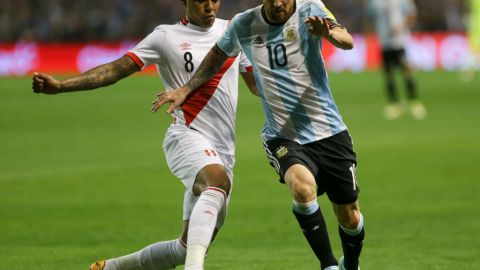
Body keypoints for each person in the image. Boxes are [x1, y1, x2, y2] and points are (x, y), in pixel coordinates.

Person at [32, 1, 257, 270]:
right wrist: (61, 86)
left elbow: (257, 86)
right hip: (186, 136)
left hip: (224, 151)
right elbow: (115, 69)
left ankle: (111, 267)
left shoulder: (232, 31)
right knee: (217, 182)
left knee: (185, 248)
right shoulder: (166, 36)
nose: (210, 5)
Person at [151, 0, 365, 269]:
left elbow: (347, 40)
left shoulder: (311, 9)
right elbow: (217, 56)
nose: (277, 3)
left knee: (350, 217)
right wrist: (186, 89)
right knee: (301, 188)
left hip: (329, 131)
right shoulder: (244, 23)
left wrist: (329, 34)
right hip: (283, 135)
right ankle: (329, 265)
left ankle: (351, 263)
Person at [366, 0, 427, 120]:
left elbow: (412, 15)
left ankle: (413, 101)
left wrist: (401, 27)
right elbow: (369, 18)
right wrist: (370, 36)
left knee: (407, 71)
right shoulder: (374, 3)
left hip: (400, 41)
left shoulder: (403, 1)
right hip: (384, 42)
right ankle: (394, 103)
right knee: (389, 73)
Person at [461, 0, 480, 81]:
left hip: (475, 24)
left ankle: (468, 71)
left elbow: (466, 7)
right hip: (475, 24)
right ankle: (468, 71)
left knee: (473, 50)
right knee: (473, 49)